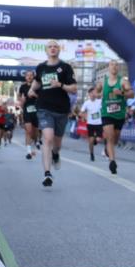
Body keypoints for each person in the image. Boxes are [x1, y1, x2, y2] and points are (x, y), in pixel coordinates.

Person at [29, 39, 78, 188]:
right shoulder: (41, 67)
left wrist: (60, 85)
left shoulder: (65, 68)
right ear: (46, 50)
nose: (53, 48)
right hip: (44, 108)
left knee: (56, 144)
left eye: (55, 47)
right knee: (47, 138)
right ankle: (47, 174)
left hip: (61, 110)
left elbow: (74, 88)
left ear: (59, 50)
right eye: (50, 47)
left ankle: (55, 154)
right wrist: (32, 89)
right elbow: (37, 82)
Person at [101, 61, 133, 175]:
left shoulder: (123, 81)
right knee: (110, 137)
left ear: (118, 68)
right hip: (106, 113)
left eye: (116, 65)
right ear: (108, 67)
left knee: (115, 139)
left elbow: (132, 94)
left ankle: (107, 150)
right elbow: (96, 92)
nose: (114, 66)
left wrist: (122, 92)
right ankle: (112, 161)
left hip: (119, 114)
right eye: (111, 64)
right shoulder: (102, 82)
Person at [18, 71, 40, 160]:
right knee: (28, 131)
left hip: (36, 111)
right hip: (27, 110)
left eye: (31, 75)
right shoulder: (22, 87)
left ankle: (36, 140)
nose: (29, 77)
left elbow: (43, 97)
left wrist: (35, 95)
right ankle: (28, 152)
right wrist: (21, 100)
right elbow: (19, 98)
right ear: (25, 77)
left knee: (34, 132)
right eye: (28, 75)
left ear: (33, 77)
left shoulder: (38, 86)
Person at [80, 87, 104, 161]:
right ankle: (91, 154)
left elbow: (103, 96)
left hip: (99, 123)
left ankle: (95, 141)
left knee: (99, 139)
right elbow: (81, 112)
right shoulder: (86, 103)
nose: (94, 94)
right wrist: (84, 116)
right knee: (90, 141)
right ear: (89, 94)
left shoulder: (99, 101)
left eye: (95, 92)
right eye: (92, 93)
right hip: (90, 123)